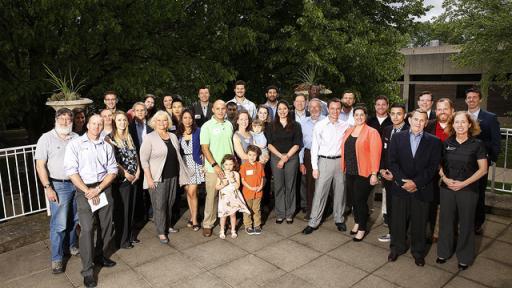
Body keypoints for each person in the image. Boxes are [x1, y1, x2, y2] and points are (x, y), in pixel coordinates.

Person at [64, 114, 118, 288]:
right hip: (84, 190)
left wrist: (99, 189)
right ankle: (87, 271)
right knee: (87, 229)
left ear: (103, 126)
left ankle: (100, 256)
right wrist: (88, 191)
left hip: (103, 188)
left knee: (107, 226)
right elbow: (72, 171)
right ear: (88, 125)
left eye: (100, 124)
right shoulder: (75, 145)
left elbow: (113, 170)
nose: (96, 126)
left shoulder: (107, 146)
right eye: (93, 123)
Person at [387, 110, 442, 267]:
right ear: (409, 120)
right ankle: (397, 248)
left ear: (426, 123)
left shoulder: (434, 141)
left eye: (422, 120)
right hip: (400, 187)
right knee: (398, 221)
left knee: (420, 223)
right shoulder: (397, 138)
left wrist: (415, 183)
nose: (418, 123)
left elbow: (432, 167)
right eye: (416, 119)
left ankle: (418, 252)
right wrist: (403, 181)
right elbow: (392, 162)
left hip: (422, 189)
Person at [437, 111, 488, 271]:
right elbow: (439, 165)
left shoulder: (477, 144)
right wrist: (445, 179)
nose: (460, 125)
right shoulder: (447, 142)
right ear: (452, 125)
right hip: (447, 189)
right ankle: (443, 252)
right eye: (456, 122)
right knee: (446, 222)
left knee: (466, 224)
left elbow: (483, 170)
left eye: (463, 122)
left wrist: (463, 183)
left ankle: (465, 257)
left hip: (468, 190)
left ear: (470, 124)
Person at [35, 108, 79, 274]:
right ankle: (57, 258)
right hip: (58, 185)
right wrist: (47, 187)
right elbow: (40, 165)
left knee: (75, 219)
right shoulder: (46, 138)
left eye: (68, 119)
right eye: (62, 118)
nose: (65, 121)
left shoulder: (76, 137)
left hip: (77, 183)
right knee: (59, 224)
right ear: (56, 119)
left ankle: (71, 247)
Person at [139, 111, 191, 244]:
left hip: (173, 176)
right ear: (154, 122)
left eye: (165, 120)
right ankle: (161, 231)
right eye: (159, 120)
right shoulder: (149, 138)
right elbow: (144, 160)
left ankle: (167, 225)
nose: (162, 123)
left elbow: (177, 155)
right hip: (157, 178)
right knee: (159, 205)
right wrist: (149, 178)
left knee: (170, 202)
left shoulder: (172, 136)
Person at [303, 98, 350, 234]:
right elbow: (314, 148)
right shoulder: (320, 125)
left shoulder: (345, 125)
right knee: (319, 193)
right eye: (332, 108)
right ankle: (313, 222)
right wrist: (315, 167)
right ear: (328, 109)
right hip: (324, 162)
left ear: (340, 109)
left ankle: (339, 219)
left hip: (340, 162)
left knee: (340, 192)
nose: (335, 111)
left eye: (337, 108)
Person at [340, 106, 382, 241]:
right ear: (353, 116)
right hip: (350, 171)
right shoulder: (349, 130)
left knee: (360, 201)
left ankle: (362, 228)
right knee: (353, 200)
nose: (359, 117)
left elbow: (376, 154)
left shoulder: (372, 132)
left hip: (364, 172)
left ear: (366, 116)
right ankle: (357, 222)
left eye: (361, 114)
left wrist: (374, 173)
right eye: (356, 114)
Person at [465, 87, 501, 234]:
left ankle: (477, 223)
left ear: (480, 99)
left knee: (479, 193)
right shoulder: (460, 116)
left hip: (481, 162)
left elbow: (496, 140)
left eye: (474, 97)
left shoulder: (490, 117)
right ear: (466, 99)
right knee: (464, 191)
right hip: (463, 162)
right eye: (469, 97)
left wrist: (491, 159)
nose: (471, 100)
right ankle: (464, 220)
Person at [106, 111, 140, 249]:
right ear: (115, 122)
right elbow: (113, 160)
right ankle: (122, 240)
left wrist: (138, 171)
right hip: (122, 180)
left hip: (134, 177)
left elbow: (135, 154)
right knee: (122, 211)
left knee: (131, 209)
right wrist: (125, 173)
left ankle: (130, 235)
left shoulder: (129, 136)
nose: (122, 122)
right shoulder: (110, 138)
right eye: (119, 120)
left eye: (124, 120)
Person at [200, 100, 234, 237]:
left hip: (229, 167)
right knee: (212, 196)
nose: (220, 111)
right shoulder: (206, 126)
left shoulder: (229, 124)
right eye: (217, 108)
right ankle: (208, 223)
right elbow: (205, 148)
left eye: (223, 108)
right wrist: (215, 165)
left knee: (228, 194)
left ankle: (225, 220)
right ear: (212, 109)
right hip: (213, 168)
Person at [268, 100, 303, 224]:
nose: (282, 111)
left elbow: (297, 144)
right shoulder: (271, 125)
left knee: (290, 186)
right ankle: (280, 213)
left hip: (291, 158)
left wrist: (286, 156)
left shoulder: (295, 125)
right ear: (277, 111)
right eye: (280, 109)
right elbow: (269, 144)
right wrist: (280, 157)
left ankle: (289, 213)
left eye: (284, 109)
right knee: (278, 186)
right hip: (276, 158)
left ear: (288, 110)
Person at [378, 103, 409, 243]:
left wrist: (396, 175)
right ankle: (392, 233)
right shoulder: (386, 130)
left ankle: (403, 235)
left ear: (405, 115)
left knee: (402, 209)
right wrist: (381, 169)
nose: (395, 116)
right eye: (393, 113)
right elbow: (383, 153)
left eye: (399, 113)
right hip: (387, 176)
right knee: (390, 207)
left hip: (402, 178)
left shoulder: (410, 131)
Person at [424, 98, 454, 242]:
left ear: (452, 110)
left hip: (451, 171)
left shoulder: (458, 126)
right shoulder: (428, 125)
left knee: (447, 204)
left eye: (445, 108)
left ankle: (444, 232)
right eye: (439, 109)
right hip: (431, 170)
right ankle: (432, 231)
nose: (442, 111)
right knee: (432, 201)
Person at [298, 99, 325, 219]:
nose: (314, 109)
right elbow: (301, 144)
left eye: (316, 107)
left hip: (323, 155)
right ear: (308, 109)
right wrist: (301, 162)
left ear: (320, 108)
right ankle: (310, 212)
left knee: (324, 184)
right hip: (308, 154)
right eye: (311, 107)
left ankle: (322, 211)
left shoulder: (327, 120)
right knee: (310, 185)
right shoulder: (303, 122)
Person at [178, 109, 204, 231]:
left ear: (193, 119)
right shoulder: (178, 133)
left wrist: (203, 160)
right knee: (188, 191)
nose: (187, 120)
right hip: (183, 165)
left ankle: (195, 220)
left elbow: (204, 146)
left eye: (190, 118)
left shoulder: (198, 131)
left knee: (192, 192)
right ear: (181, 119)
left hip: (195, 163)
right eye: (185, 118)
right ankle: (192, 215)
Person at [128, 102, 153, 225]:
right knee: (137, 190)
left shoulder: (151, 127)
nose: (140, 112)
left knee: (149, 187)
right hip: (136, 162)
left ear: (146, 112)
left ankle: (150, 212)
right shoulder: (129, 127)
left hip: (149, 161)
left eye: (142, 110)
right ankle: (139, 216)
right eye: (137, 110)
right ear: (133, 112)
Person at [216, 154, 250, 239]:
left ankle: (233, 230)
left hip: (233, 197)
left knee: (233, 214)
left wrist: (232, 179)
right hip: (224, 198)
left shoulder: (236, 174)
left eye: (230, 164)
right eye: (226, 164)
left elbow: (237, 186)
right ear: (223, 164)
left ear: (234, 164)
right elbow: (216, 187)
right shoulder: (221, 174)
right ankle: (222, 230)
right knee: (223, 215)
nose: (228, 166)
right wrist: (223, 184)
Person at [240, 145, 266, 235]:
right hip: (247, 192)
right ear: (247, 155)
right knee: (247, 209)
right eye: (250, 155)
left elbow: (262, 177)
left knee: (257, 209)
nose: (252, 157)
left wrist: (261, 186)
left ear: (257, 155)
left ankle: (257, 225)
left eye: (254, 155)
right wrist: (250, 188)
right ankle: (248, 225)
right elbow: (242, 180)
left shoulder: (259, 165)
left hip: (258, 192)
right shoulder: (244, 166)